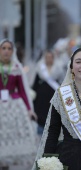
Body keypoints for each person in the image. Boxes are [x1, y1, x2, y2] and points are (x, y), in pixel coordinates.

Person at [0, 39, 37, 170]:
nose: (6, 51)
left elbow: (22, 90)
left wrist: (29, 109)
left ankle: (8, 163)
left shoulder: (16, 68)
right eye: (3, 48)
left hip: (14, 105)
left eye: (9, 48)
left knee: (11, 134)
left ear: (12, 51)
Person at [32, 50, 60, 135]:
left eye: (50, 57)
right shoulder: (40, 68)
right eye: (47, 57)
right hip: (41, 97)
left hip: (53, 96)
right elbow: (35, 84)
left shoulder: (58, 69)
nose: (49, 59)